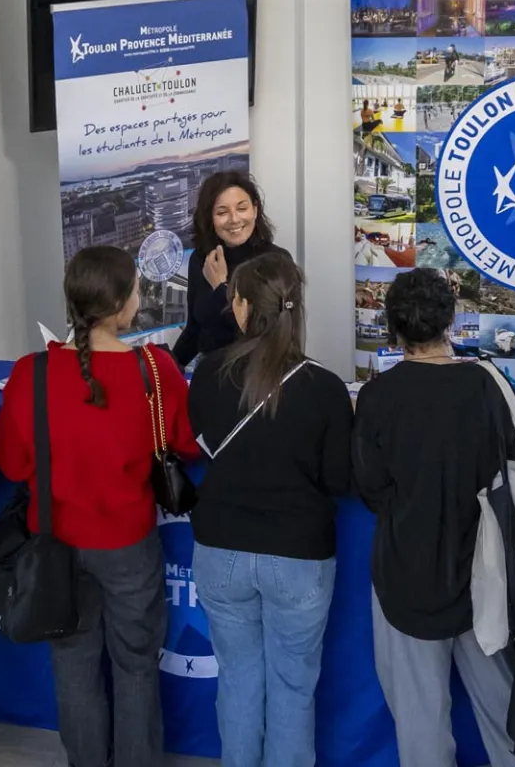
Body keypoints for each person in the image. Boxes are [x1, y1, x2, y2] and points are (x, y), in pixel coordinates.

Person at [0, 246, 198, 767]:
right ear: (127, 304)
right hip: (129, 544)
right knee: (135, 668)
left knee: (74, 669)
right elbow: (188, 444)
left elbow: (14, 466)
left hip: (55, 545)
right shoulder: (156, 368)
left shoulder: (31, 373)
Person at [354, 269, 515, 766]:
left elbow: (371, 492)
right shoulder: (491, 385)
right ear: (451, 321)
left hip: (406, 579)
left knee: (420, 725)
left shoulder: (376, 398)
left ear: (393, 328)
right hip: (487, 576)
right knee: (506, 719)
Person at [185, 252, 351, 767]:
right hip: (298, 557)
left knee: (237, 683)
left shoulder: (208, 373)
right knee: (293, 689)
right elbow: (340, 481)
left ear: (238, 307)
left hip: (220, 551)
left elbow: (200, 446)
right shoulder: (324, 387)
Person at [172, 171, 289, 368]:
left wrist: (220, 286)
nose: (234, 219)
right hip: (209, 374)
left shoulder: (277, 261)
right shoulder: (201, 259)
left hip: (257, 374)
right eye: (222, 212)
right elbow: (195, 329)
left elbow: (260, 338)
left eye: (242, 208)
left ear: (255, 209)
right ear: (209, 218)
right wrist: (168, 369)